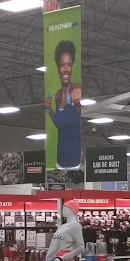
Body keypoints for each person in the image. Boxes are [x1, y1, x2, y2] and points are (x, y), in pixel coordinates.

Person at [45, 39, 82, 169]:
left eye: (69, 65)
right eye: (62, 65)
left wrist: (78, 88)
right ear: (58, 67)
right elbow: (59, 124)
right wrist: (48, 110)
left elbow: (79, 90)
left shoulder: (76, 91)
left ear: (72, 67)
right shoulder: (57, 95)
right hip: (59, 163)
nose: (66, 69)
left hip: (75, 164)